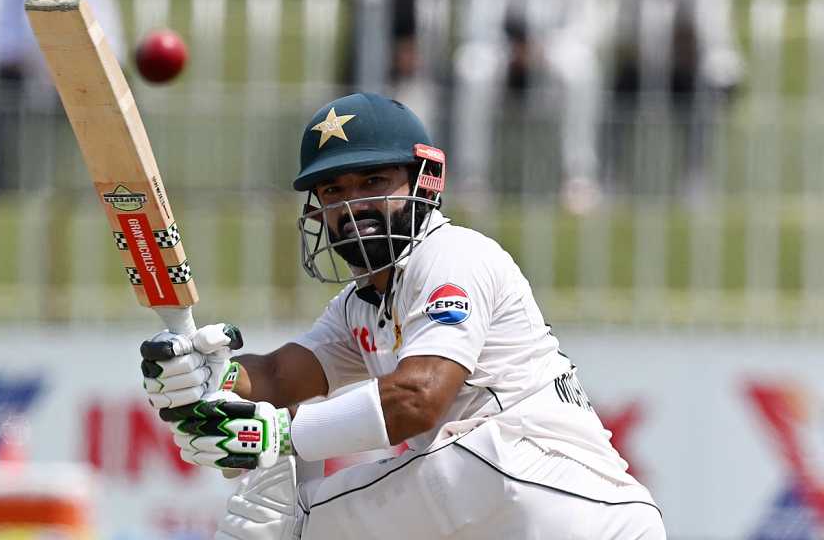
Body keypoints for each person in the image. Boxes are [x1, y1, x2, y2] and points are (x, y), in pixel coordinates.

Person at [139, 92, 666, 539]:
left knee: (280, 515)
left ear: (422, 182)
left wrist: (274, 435)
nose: (352, 205)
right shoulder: (360, 305)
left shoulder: (452, 255)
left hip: (548, 489)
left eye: (372, 182)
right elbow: (278, 375)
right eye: (334, 191)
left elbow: (419, 399)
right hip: (526, 511)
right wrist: (212, 376)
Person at [456, 0, 603, 212]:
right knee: (472, 69)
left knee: (580, 70)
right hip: (500, 52)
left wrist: (543, 50)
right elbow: (475, 23)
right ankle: (473, 175)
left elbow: (586, 26)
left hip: (555, 53)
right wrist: (512, 51)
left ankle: (577, 175)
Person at [608, 0, 742, 197]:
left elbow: (715, 37)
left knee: (705, 91)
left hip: (693, 69)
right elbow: (622, 37)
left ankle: (694, 177)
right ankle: (611, 179)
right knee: (612, 95)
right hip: (643, 67)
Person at [346, 0, 450, 132]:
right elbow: (364, 36)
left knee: (419, 110)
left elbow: (437, 42)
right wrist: (394, 53)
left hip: (418, 77)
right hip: (371, 75)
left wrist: (415, 54)